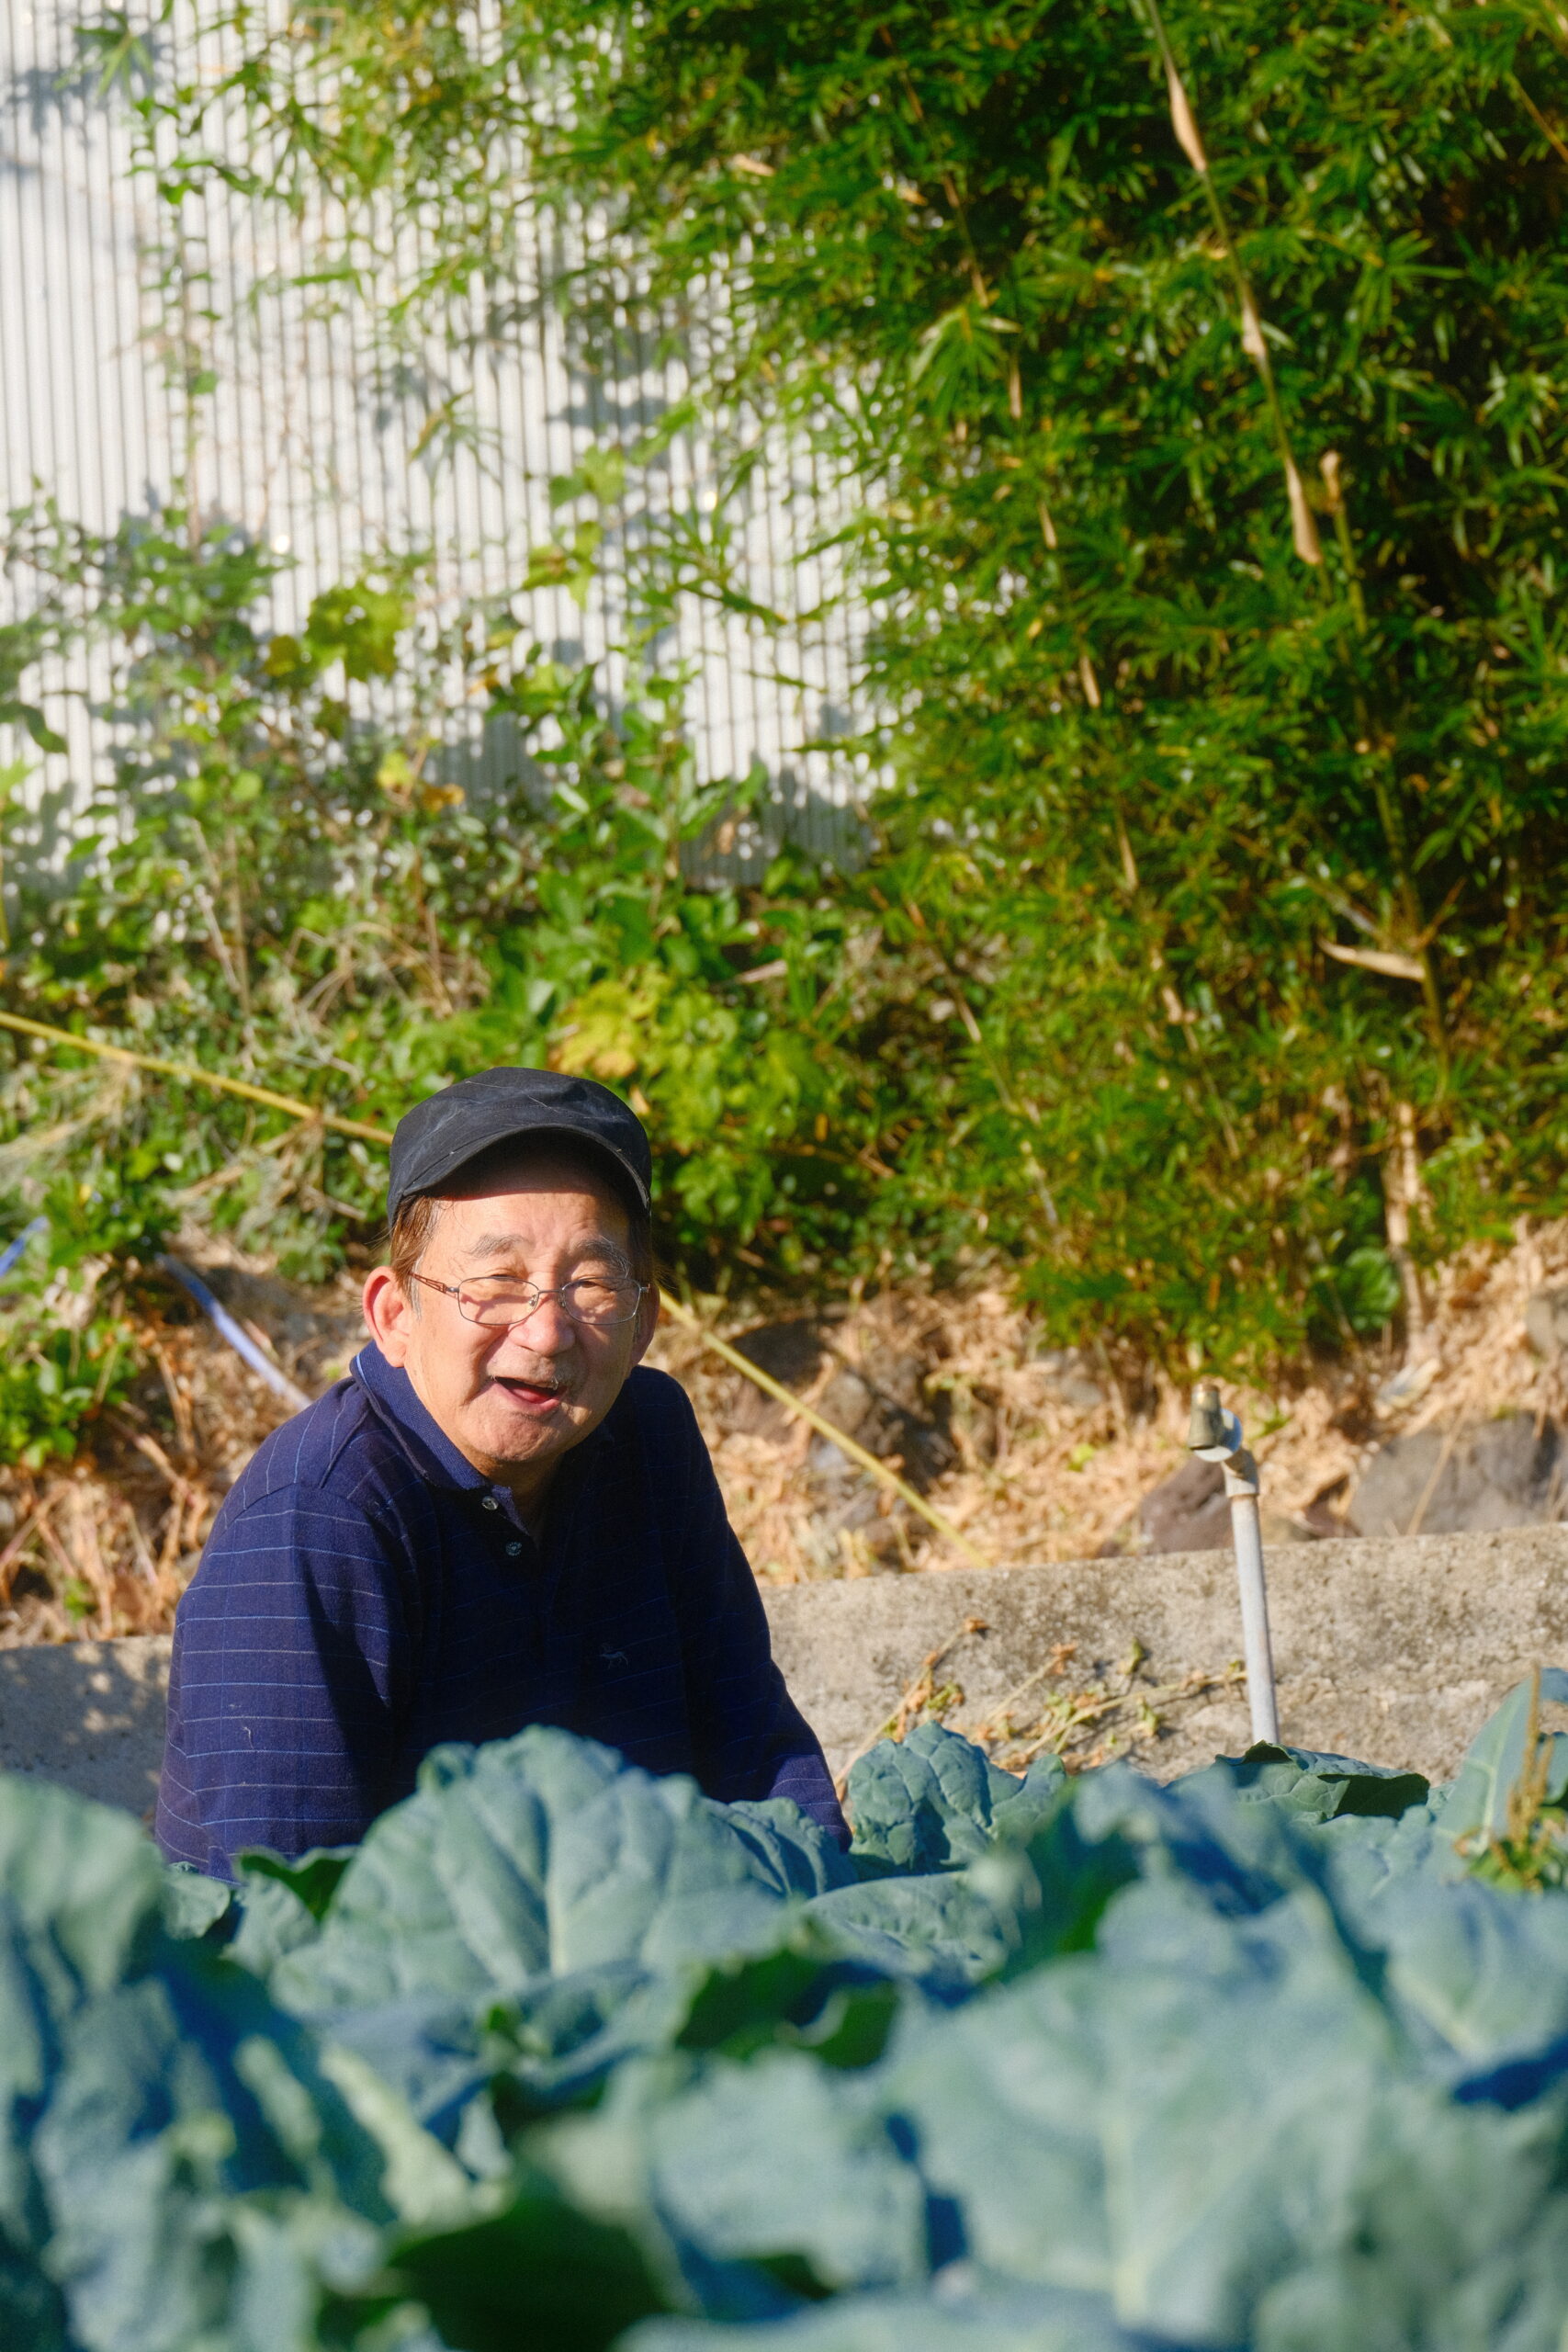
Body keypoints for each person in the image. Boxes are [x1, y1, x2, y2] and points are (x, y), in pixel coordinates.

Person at [155, 1067, 845, 1879]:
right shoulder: (322, 1515)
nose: (546, 1331)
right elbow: (285, 1909)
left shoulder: (650, 1440)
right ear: (393, 1316)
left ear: (643, 1322)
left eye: (589, 1283)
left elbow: (756, 1749)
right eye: (495, 1283)